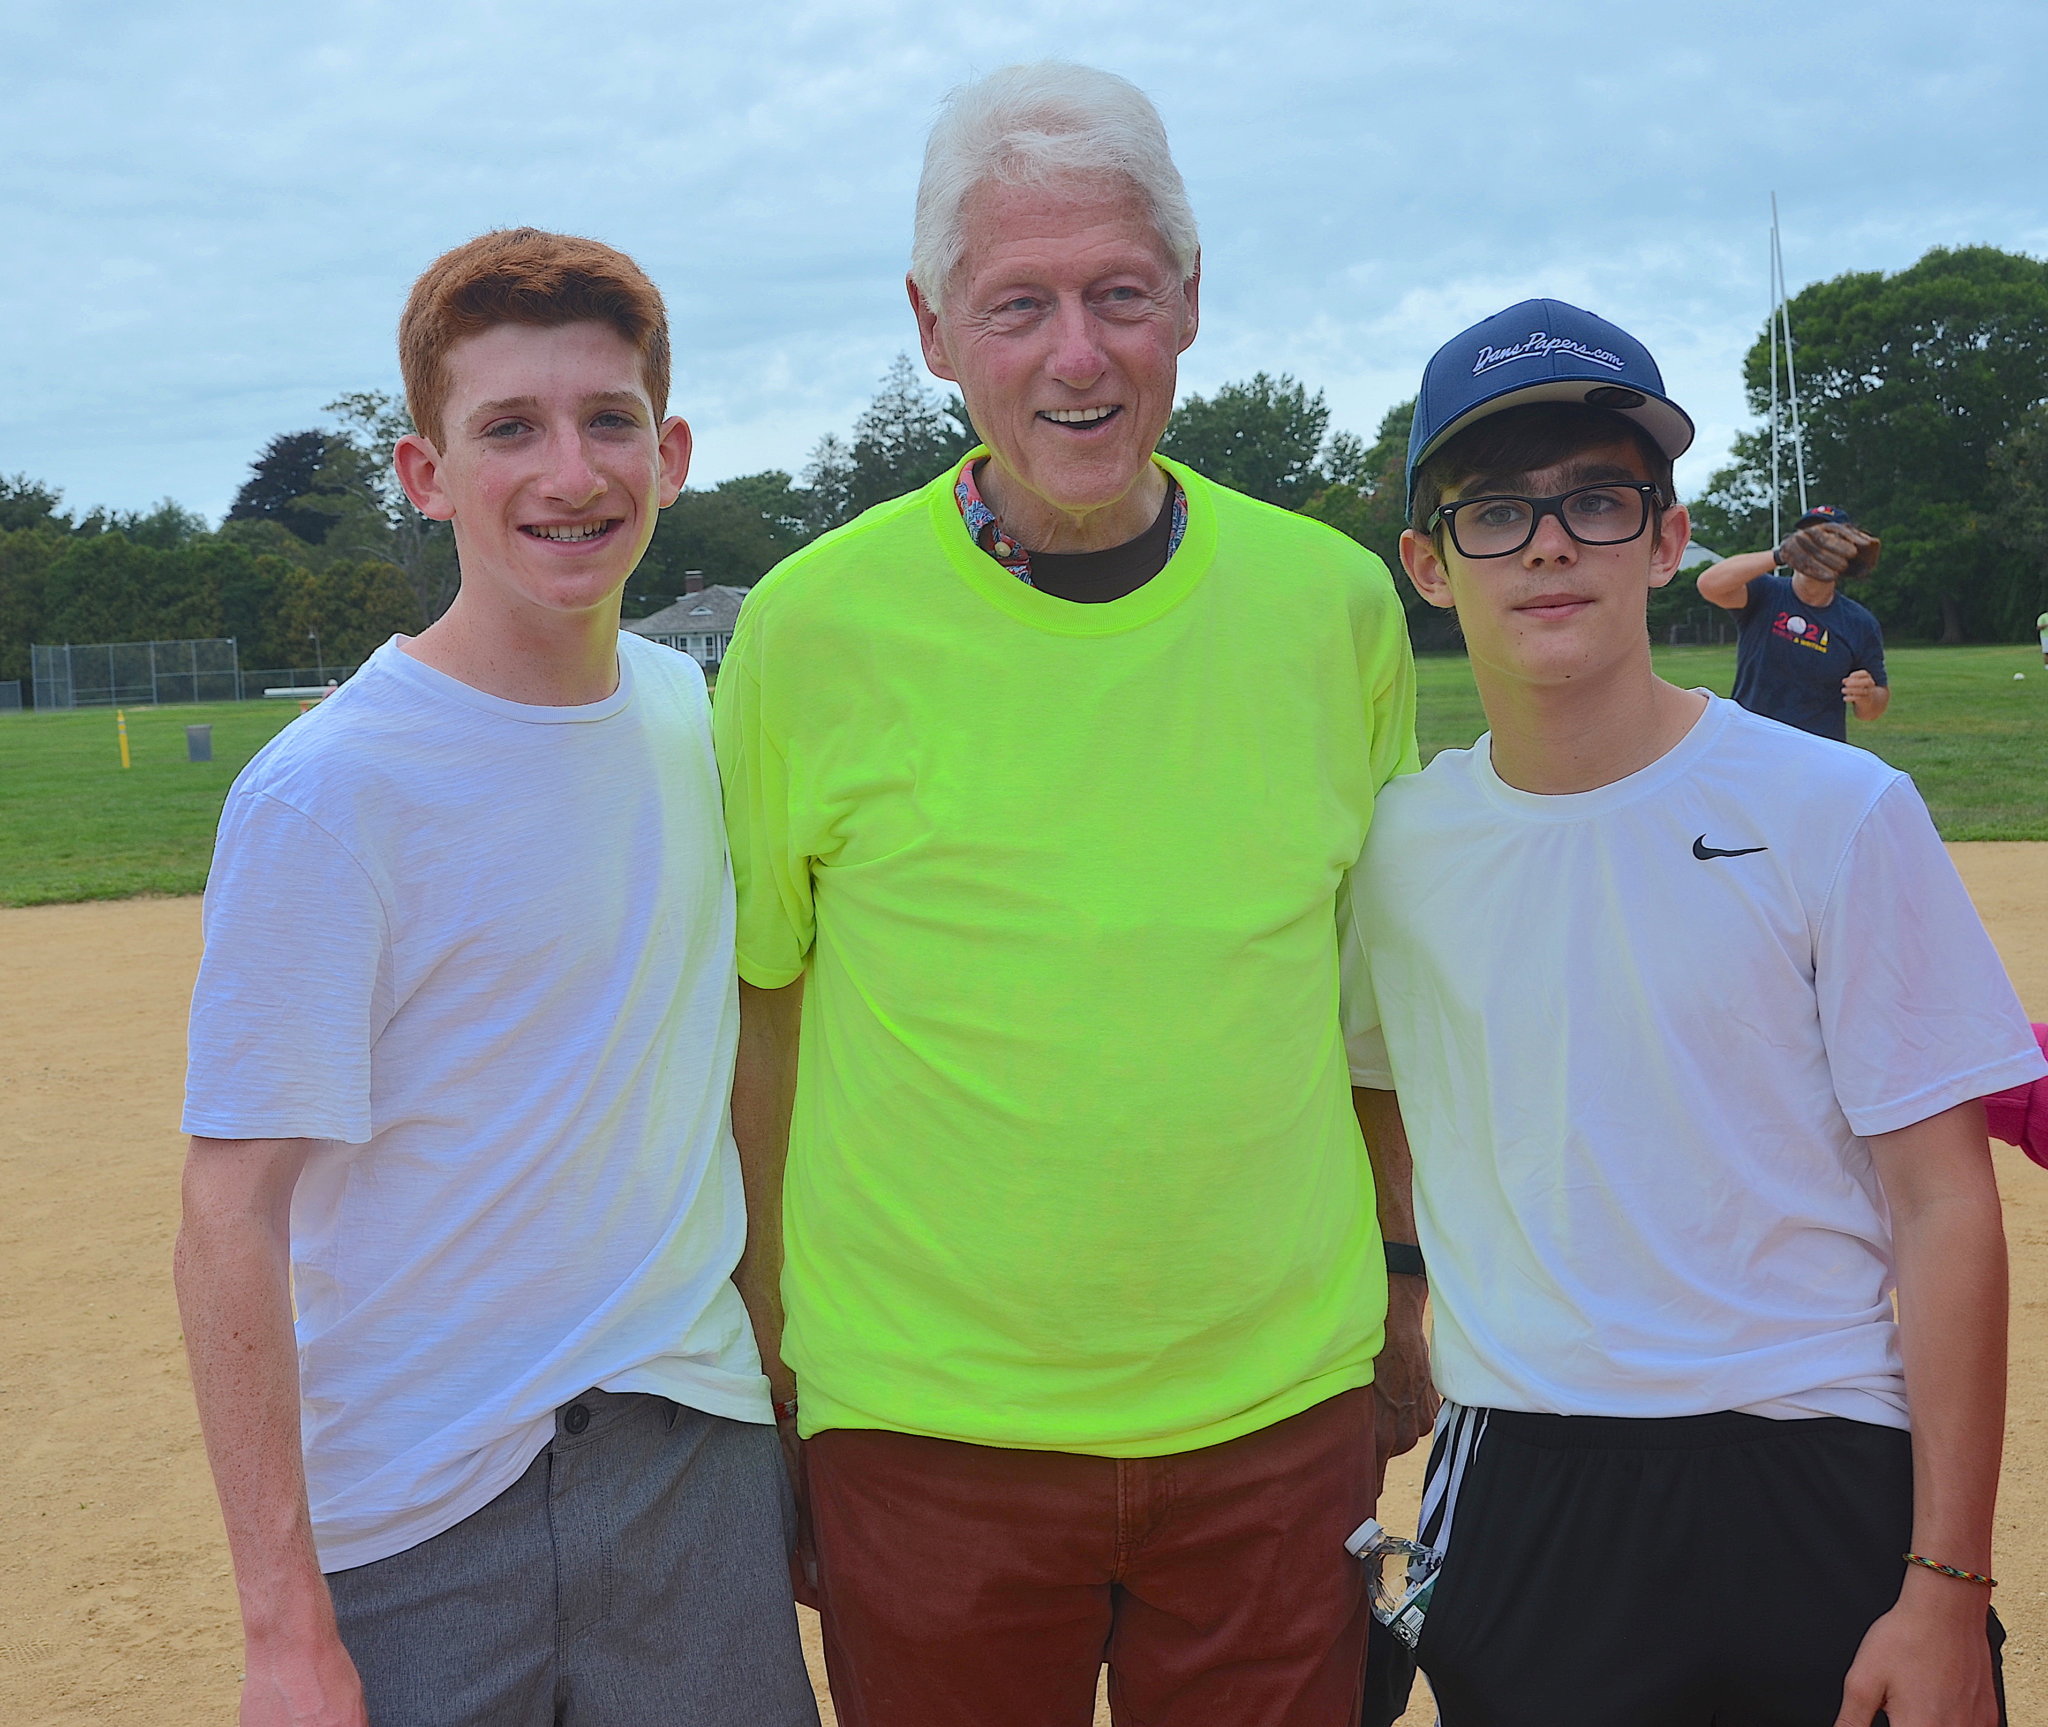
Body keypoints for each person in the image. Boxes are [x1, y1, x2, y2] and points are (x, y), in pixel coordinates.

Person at [713, 62, 1425, 1727]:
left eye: (1118, 293)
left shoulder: (1330, 609)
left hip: (1272, 1414)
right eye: (1014, 303)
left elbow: (1367, 992)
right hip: (925, 1429)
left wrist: (1398, 1265)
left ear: (1187, 299)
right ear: (930, 329)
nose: (1076, 354)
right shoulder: (809, 629)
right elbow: (765, 1013)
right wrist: (769, 1358)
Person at [1340, 297, 2047, 1727]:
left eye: (1597, 500)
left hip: (1816, 1455)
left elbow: (1944, 1203)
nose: (1548, 542)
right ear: (1427, 564)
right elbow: (1378, 1089)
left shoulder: (1835, 811)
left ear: (1668, 540)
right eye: (1494, 511)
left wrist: (1946, 1581)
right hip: (1526, 1470)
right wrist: (1406, 1289)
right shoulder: (1396, 852)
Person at [175, 228, 819, 1727]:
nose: (569, 473)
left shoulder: (686, 711)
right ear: (425, 471)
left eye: (607, 422)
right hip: (422, 1504)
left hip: (690, 1456)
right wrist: (283, 1629)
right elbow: (229, 1214)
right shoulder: (327, 793)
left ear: (668, 452)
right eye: (508, 429)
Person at [1696, 502, 1888, 740]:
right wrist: (1781, 555)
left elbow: (1873, 708)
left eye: (1827, 540)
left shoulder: (1860, 622)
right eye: (1809, 539)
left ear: (1844, 553)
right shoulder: (1766, 592)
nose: (1816, 549)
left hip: (1817, 751)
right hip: (1751, 740)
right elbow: (1709, 584)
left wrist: (1867, 696)